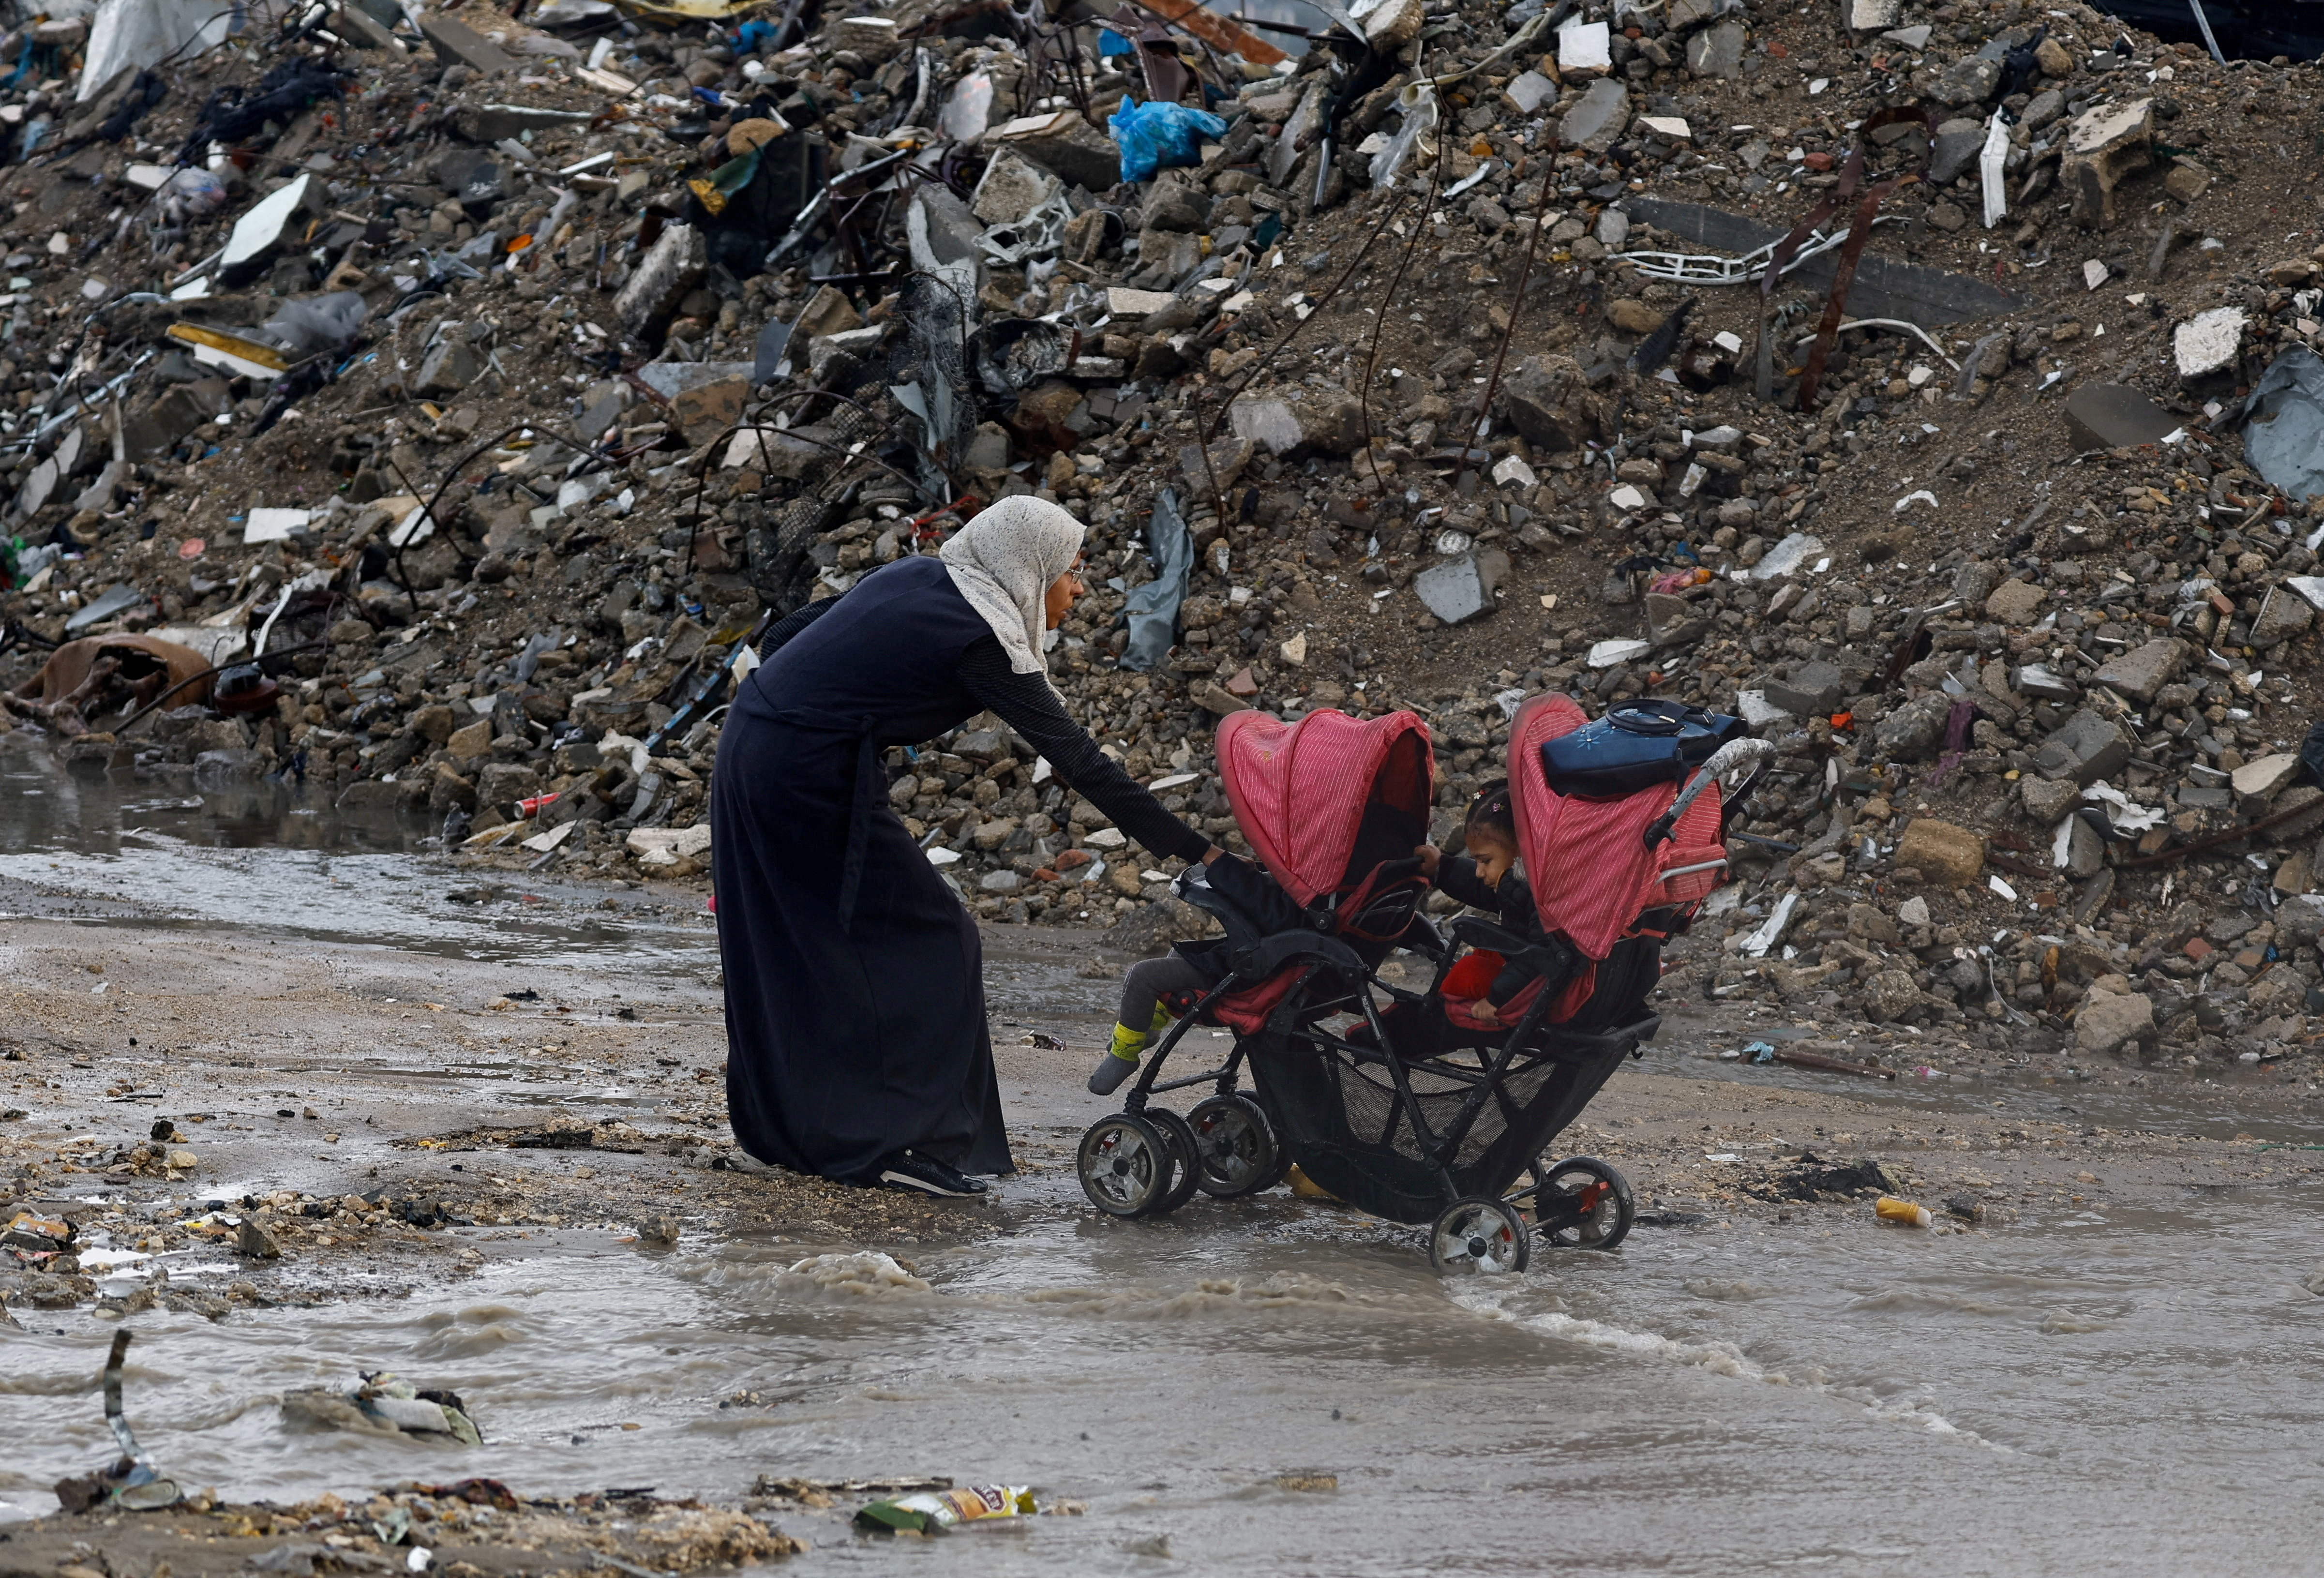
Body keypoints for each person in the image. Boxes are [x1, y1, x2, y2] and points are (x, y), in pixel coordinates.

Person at [711, 496, 1224, 1197]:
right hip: (805, 775)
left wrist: (852, 709)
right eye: (1072, 572)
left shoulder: (920, 576)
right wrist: (1200, 852)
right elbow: (1082, 764)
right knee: (937, 939)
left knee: (812, 944)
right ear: (1030, 570)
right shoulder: (981, 637)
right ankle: (897, 1141)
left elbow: (788, 638)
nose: (1079, 589)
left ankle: (797, 1133)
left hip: (755, 739)